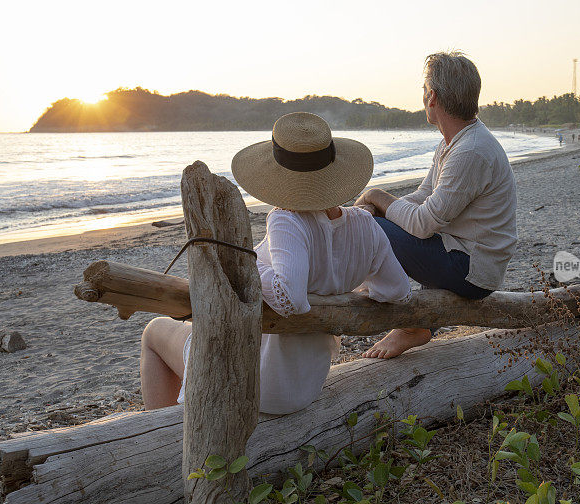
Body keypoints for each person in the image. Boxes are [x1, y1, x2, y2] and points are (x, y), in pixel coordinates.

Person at [140, 112, 411, 414]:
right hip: (304, 383)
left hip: (258, 382)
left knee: (154, 331)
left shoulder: (287, 219)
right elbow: (397, 290)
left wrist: (247, 264)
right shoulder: (364, 224)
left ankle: (164, 431)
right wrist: (345, 288)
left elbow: (291, 296)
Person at [355, 51, 517, 359]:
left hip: (472, 270)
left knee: (369, 226)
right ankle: (406, 314)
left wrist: (375, 197)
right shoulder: (453, 142)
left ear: (432, 97)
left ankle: (402, 317)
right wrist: (379, 207)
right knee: (372, 220)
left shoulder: (470, 150)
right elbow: (421, 198)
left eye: (424, 88)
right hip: (463, 254)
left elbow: (423, 223)